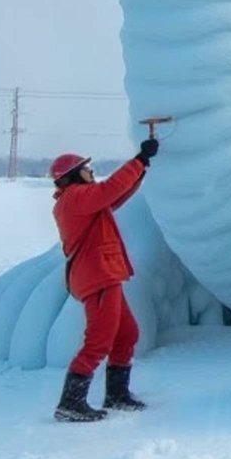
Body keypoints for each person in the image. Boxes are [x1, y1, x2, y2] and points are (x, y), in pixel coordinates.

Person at [49, 138, 158, 422]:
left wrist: (142, 166)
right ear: (73, 174)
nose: (91, 171)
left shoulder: (81, 199)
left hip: (103, 274)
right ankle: (70, 403)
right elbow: (110, 190)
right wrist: (137, 160)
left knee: (127, 333)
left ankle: (116, 395)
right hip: (97, 277)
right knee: (98, 341)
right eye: (86, 168)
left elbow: (115, 196)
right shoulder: (75, 197)